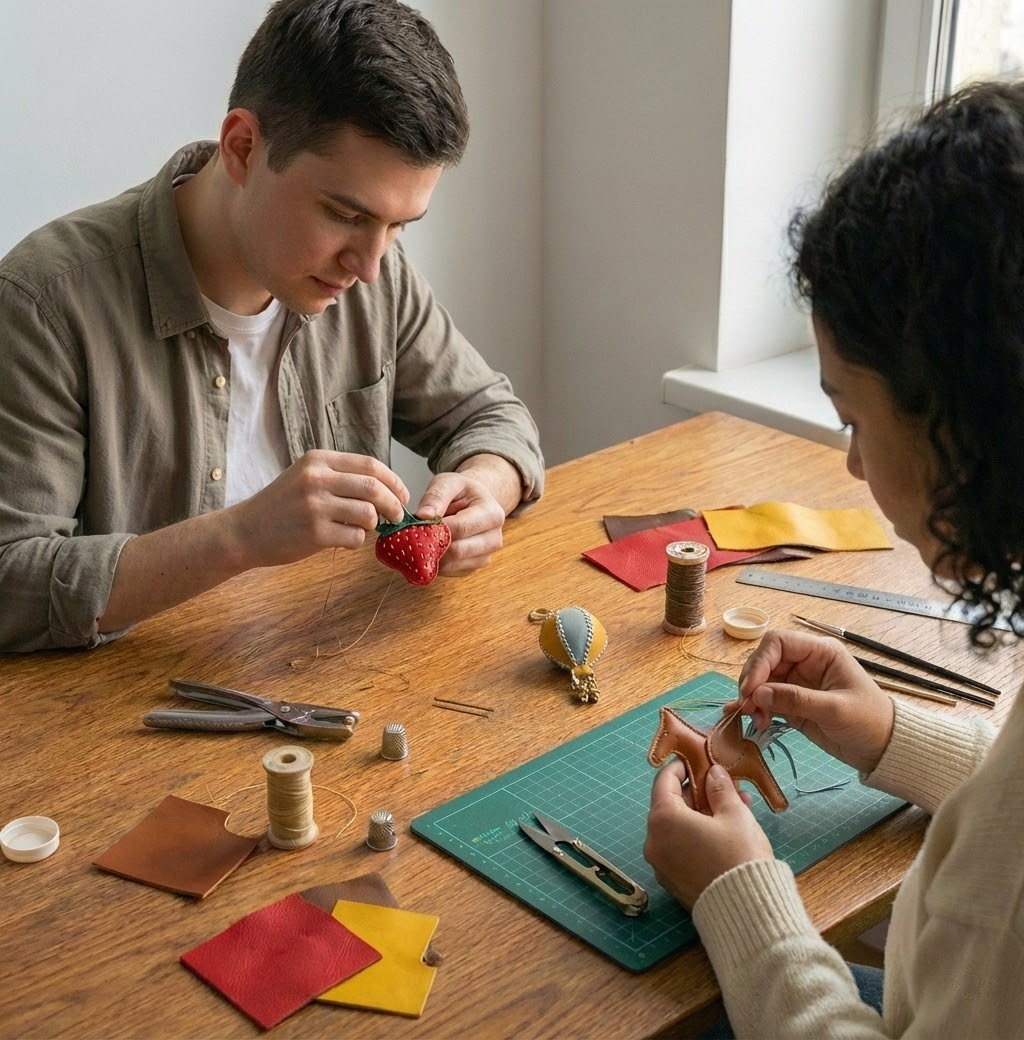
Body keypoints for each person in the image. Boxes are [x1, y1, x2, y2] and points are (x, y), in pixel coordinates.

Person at [644, 79, 1024, 1038]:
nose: (853, 464)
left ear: (965, 418)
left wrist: (740, 895)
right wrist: (890, 732)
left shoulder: (1004, 908)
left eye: (852, 417)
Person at [0, 0, 544, 653]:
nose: (370, 265)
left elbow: (490, 415)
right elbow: (10, 580)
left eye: (399, 226)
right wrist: (240, 537)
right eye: (346, 215)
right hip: (120, 707)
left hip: (333, 667)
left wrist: (486, 486)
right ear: (243, 147)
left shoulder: (376, 274)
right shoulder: (43, 304)